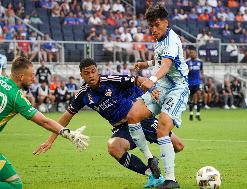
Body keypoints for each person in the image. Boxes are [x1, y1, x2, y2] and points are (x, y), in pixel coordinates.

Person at [33, 58, 185, 188]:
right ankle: (152, 173)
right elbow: (66, 117)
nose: (91, 75)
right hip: (122, 128)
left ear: (97, 71)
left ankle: (158, 162)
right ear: (81, 74)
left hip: (142, 120)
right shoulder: (83, 95)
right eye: (87, 73)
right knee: (113, 147)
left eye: (93, 71)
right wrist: (50, 141)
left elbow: (137, 80)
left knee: (178, 146)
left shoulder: (111, 80)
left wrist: (152, 89)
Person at [0, 56, 88, 189]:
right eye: (32, 75)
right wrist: (68, 134)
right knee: (15, 186)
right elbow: (43, 121)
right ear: (21, 77)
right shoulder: (17, 97)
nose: (34, 79)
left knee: (14, 183)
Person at [127, 4, 189, 188]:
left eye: (157, 25)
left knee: (162, 126)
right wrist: (145, 64)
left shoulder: (171, 40)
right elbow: (160, 60)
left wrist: (151, 79)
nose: (153, 30)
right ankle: (150, 160)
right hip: (162, 85)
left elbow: (167, 65)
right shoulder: (160, 39)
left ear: (166, 22)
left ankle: (171, 180)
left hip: (177, 88)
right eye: (150, 26)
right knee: (132, 116)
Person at [186, 49, 204, 121]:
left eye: (195, 53)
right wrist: (188, 71)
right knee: (191, 98)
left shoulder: (200, 62)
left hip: (197, 82)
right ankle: (191, 114)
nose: (194, 55)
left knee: (199, 95)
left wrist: (202, 75)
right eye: (192, 53)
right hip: (190, 83)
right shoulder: (187, 62)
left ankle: (198, 114)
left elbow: (202, 70)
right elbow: (184, 72)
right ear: (190, 55)